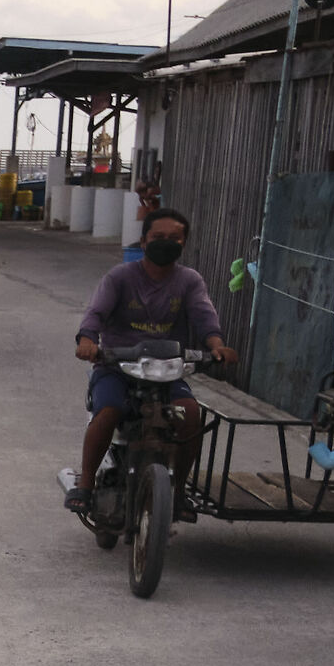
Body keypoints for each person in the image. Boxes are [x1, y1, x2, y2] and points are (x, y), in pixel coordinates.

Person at [67, 207, 237, 513]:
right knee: (108, 410)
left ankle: (178, 490)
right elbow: (96, 312)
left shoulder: (189, 281)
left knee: (190, 414)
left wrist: (217, 345)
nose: (166, 242)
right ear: (144, 241)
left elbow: (204, 316)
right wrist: (88, 339)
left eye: (175, 238)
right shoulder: (120, 277)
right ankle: (86, 484)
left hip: (167, 372)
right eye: (158, 237)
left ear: (183, 243)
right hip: (117, 368)